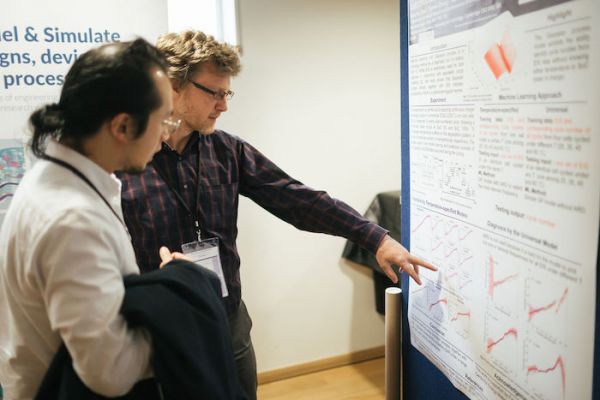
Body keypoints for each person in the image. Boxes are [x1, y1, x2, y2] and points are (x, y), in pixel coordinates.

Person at [118, 30, 437, 399]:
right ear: (173, 87)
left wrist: (375, 237)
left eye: (227, 94)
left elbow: (297, 200)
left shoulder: (227, 151)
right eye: (215, 93)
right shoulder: (124, 160)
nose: (223, 106)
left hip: (227, 320)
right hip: (159, 328)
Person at [0, 39, 183, 399]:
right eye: (164, 119)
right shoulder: (73, 221)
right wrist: (176, 302)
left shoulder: (54, 178)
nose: (167, 133)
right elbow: (111, 372)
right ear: (122, 126)